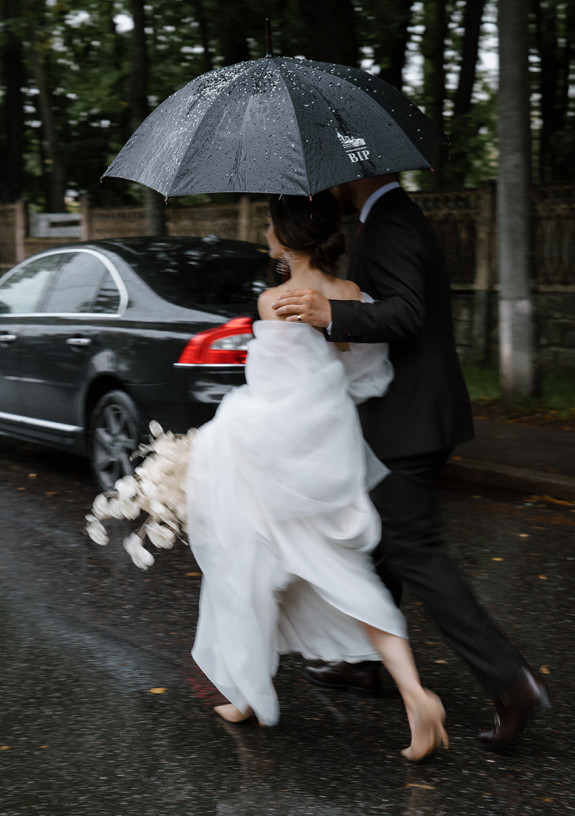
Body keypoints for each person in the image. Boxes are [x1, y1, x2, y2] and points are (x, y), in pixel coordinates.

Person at [272, 175, 549, 751]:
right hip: (411, 413)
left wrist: (331, 314)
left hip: (410, 418)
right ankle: (362, 662)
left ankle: (510, 680)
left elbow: (406, 315)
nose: (326, 182)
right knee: (376, 543)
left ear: (357, 170)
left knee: (414, 551)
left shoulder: (392, 222)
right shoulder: (389, 216)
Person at [184, 190, 448, 761]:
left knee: (243, 569)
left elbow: (271, 390)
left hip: (270, 461)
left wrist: (218, 435)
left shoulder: (273, 299)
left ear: (285, 237)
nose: (265, 232)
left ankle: (246, 690)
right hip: (327, 464)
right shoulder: (351, 296)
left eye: (270, 225)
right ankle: (413, 696)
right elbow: (364, 378)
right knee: (349, 581)